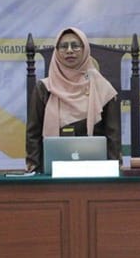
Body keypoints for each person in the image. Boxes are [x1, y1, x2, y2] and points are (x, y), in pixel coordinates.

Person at [26, 27, 121, 172]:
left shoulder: (101, 87)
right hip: (52, 171)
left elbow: (113, 135)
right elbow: (33, 134)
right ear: (56, 51)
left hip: (96, 172)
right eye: (64, 46)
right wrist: (35, 171)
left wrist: (115, 169)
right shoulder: (44, 88)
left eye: (75, 46)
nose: (69, 51)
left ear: (85, 50)